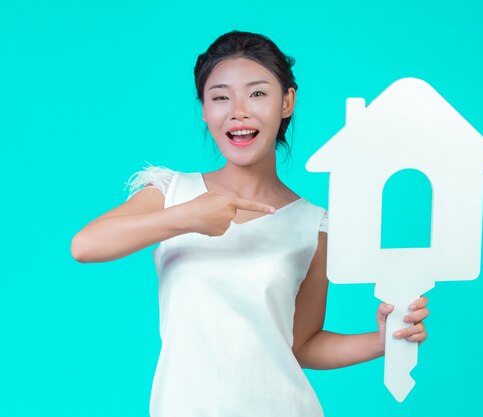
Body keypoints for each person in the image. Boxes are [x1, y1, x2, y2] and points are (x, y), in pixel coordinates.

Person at [70, 30, 429, 417]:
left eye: (257, 93)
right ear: (204, 111)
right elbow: (85, 246)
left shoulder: (313, 225)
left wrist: (380, 342)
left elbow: (301, 346)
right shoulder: (172, 192)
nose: (238, 111)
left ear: (286, 102)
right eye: (220, 97)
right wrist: (187, 217)